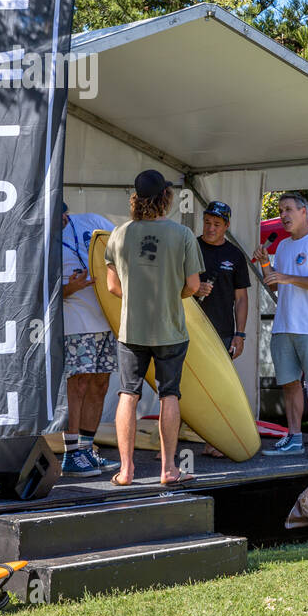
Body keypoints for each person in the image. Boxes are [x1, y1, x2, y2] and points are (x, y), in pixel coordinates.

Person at [103, 170, 203, 486]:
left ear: (136, 198)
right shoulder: (183, 235)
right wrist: (170, 294)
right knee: (169, 395)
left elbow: (112, 287)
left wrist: (136, 293)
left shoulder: (119, 234)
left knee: (127, 394)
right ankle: (168, 469)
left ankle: (127, 470)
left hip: (131, 331)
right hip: (170, 329)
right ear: (166, 197)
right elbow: (193, 286)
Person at [253, 192, 308, 460]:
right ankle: (295, 437)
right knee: (290, 384)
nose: (283, 215)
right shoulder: (284, 247)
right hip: (284, 325)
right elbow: (275, 284)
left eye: (288, 209)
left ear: (304, 212)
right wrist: (266, 262)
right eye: (280, 211)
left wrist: (289, 277)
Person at [59, 202, 120, 477]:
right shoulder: (40, 239)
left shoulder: (92, 220)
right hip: (76, 321)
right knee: (80, 382)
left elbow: (121, 248)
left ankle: (87, 450)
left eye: (62, 214)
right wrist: (71, 287)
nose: (60, 219)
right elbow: (36, 293)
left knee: (101, 383)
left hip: (107, 318)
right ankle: (71, 454)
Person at [193, 200, 250, 359]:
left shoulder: (235, 255)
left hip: (222, 332)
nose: (211, 228)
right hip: (188, 329)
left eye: (217, 224)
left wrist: (239, 334)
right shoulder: (190, 246)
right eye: (207, 222)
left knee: (216, 383)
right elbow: (170, 284)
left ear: (227, 225)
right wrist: (192, 289)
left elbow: (241, 299)